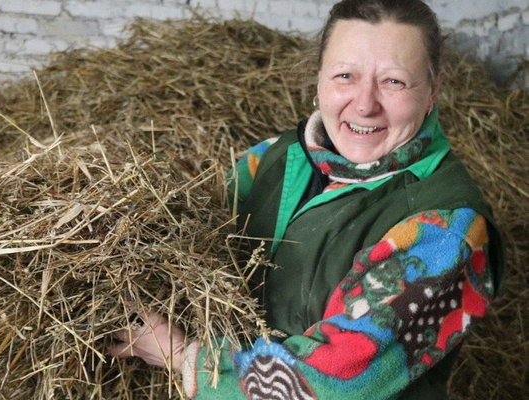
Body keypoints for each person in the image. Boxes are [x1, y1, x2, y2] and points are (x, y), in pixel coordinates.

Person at [109, 0, 505, 399]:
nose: (365, 105)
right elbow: (191, 247)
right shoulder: (273, 158)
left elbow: (333, 381)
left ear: (432, 91)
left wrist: (182, 357)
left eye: (394, 82)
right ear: (319, 80)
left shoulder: (445, 228)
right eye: (345, 75)